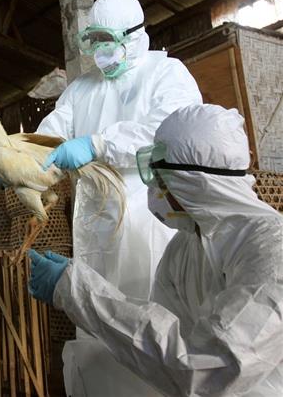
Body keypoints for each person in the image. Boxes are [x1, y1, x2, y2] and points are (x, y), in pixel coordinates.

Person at [30, 104, 283, 397]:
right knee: (90, 363)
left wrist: (79, 292)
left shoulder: (272, 250)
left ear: (195, 184)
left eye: (159, 178)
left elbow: (208, 371)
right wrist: (73, 285)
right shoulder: (183, 249)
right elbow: (156, 347)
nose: (154, 189)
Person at [38, 0, 203, 394]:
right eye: (94, 42)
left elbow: (168, 131)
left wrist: (98, 144)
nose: (100, 53)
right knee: (96, 318)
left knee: (153, 318)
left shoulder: (166, 73)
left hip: (152, 219)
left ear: (134, 36)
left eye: (107, 42)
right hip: (94, 224)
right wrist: (21, 152)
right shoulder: (81, 89)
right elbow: (52, 131)